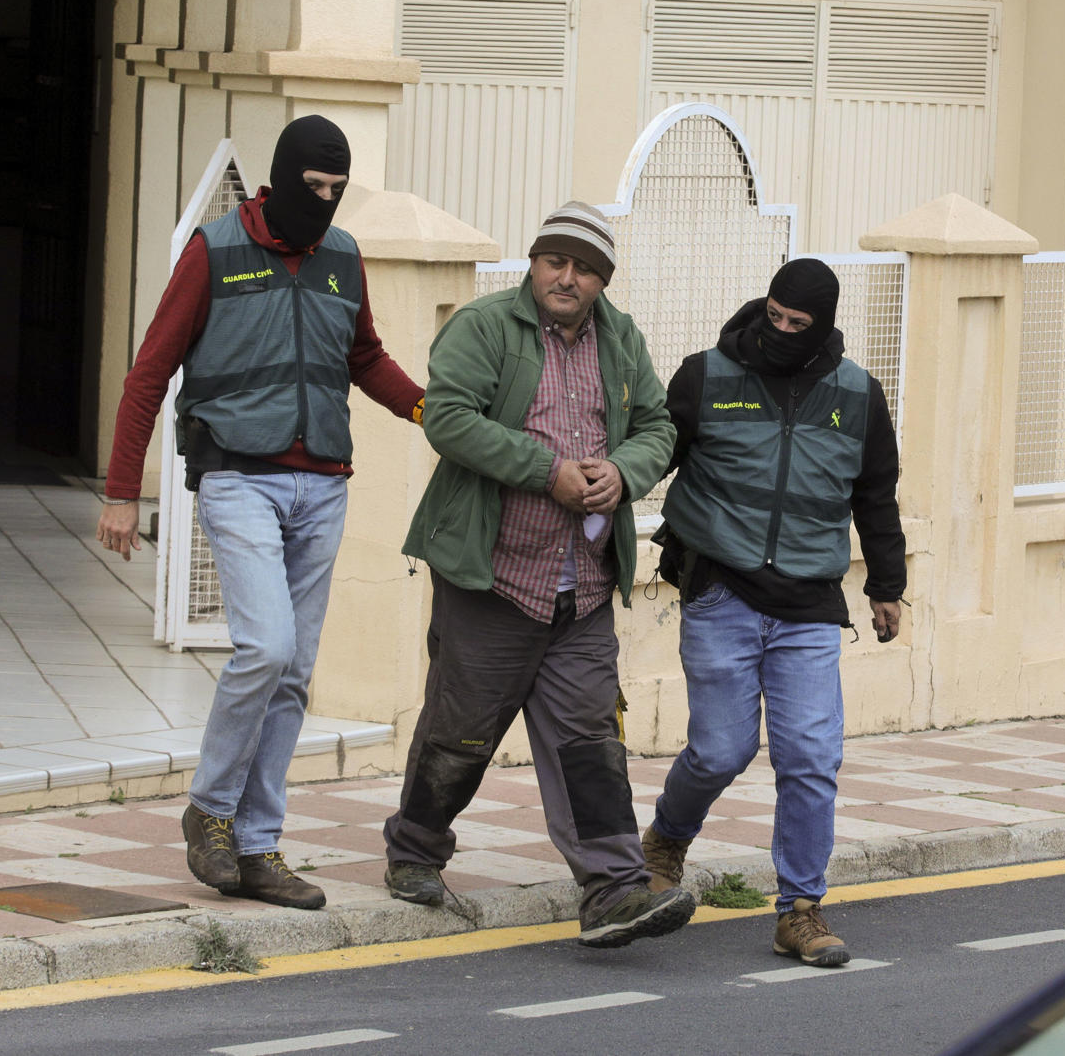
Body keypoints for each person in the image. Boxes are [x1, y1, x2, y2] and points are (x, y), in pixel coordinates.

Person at [95, 116, 424, 909]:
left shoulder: (343, 256)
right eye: (316, 188)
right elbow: (150, 370)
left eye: (339, 190)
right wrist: (119, 490)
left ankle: (257, 844)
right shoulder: (215, 250)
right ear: (282, 178)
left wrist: (429, 413)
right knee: (265, 646)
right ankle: (209, 810)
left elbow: (365, 357)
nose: (328, 202)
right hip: (239, 474)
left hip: (325, 483)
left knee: (295, 672)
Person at [381, 202, 695, 948]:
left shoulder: (622, 339)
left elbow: (659, 425)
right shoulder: (486, 326)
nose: (567, 275)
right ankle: (415, 850)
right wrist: (546, 471)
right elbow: (447, 418)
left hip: (582, 583)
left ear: (601, 280)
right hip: (491, 574)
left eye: (584, 267)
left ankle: (614, 890)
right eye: (555, 259)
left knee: (590, 738)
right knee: (461, 729)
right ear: (533, 261)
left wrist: (623, 471)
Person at [642, 259, 906, 967]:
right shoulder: (707, 376)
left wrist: (888, 584)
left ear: (823, 324)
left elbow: (876, 494)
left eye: (799, 325)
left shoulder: (858, 395)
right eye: (775, 317)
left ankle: (800, 908)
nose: (783, 332)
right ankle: (667, 836)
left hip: (810, 603)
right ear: (765, 306)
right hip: (720, 588)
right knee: (722, 750)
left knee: (812, 755)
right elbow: (653, 453)